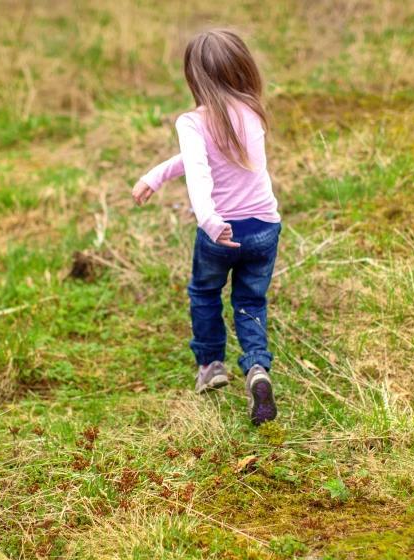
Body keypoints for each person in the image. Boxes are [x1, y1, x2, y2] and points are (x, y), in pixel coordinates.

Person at [132, 29, 281, 426]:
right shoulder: (252, 110)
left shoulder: (192, 122)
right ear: (243, 68)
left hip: (222, 232)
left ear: (193, 76)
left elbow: (199, 172)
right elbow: (197, 158)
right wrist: (156, 175)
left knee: (204, 292)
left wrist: (210, 221)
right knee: (250, 301)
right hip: (265, 226)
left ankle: (212, 366)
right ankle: (257, 369)